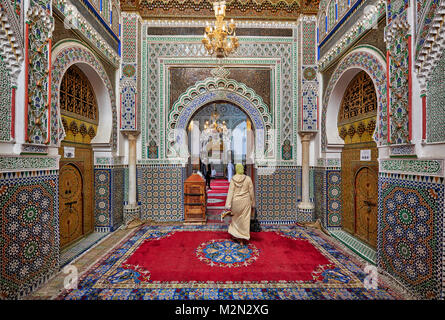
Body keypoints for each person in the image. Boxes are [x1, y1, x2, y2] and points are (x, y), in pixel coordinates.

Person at [224, 164, 255, 245]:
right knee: (244, 220)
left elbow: (230, 192)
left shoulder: (233, 179)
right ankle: (243, 237)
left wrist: (228, 205)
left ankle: (237, 236)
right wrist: (253, 203)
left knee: (235, 219)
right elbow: (251, 192)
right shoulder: (248, 179)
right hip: (246, 202)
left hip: (236, 203)